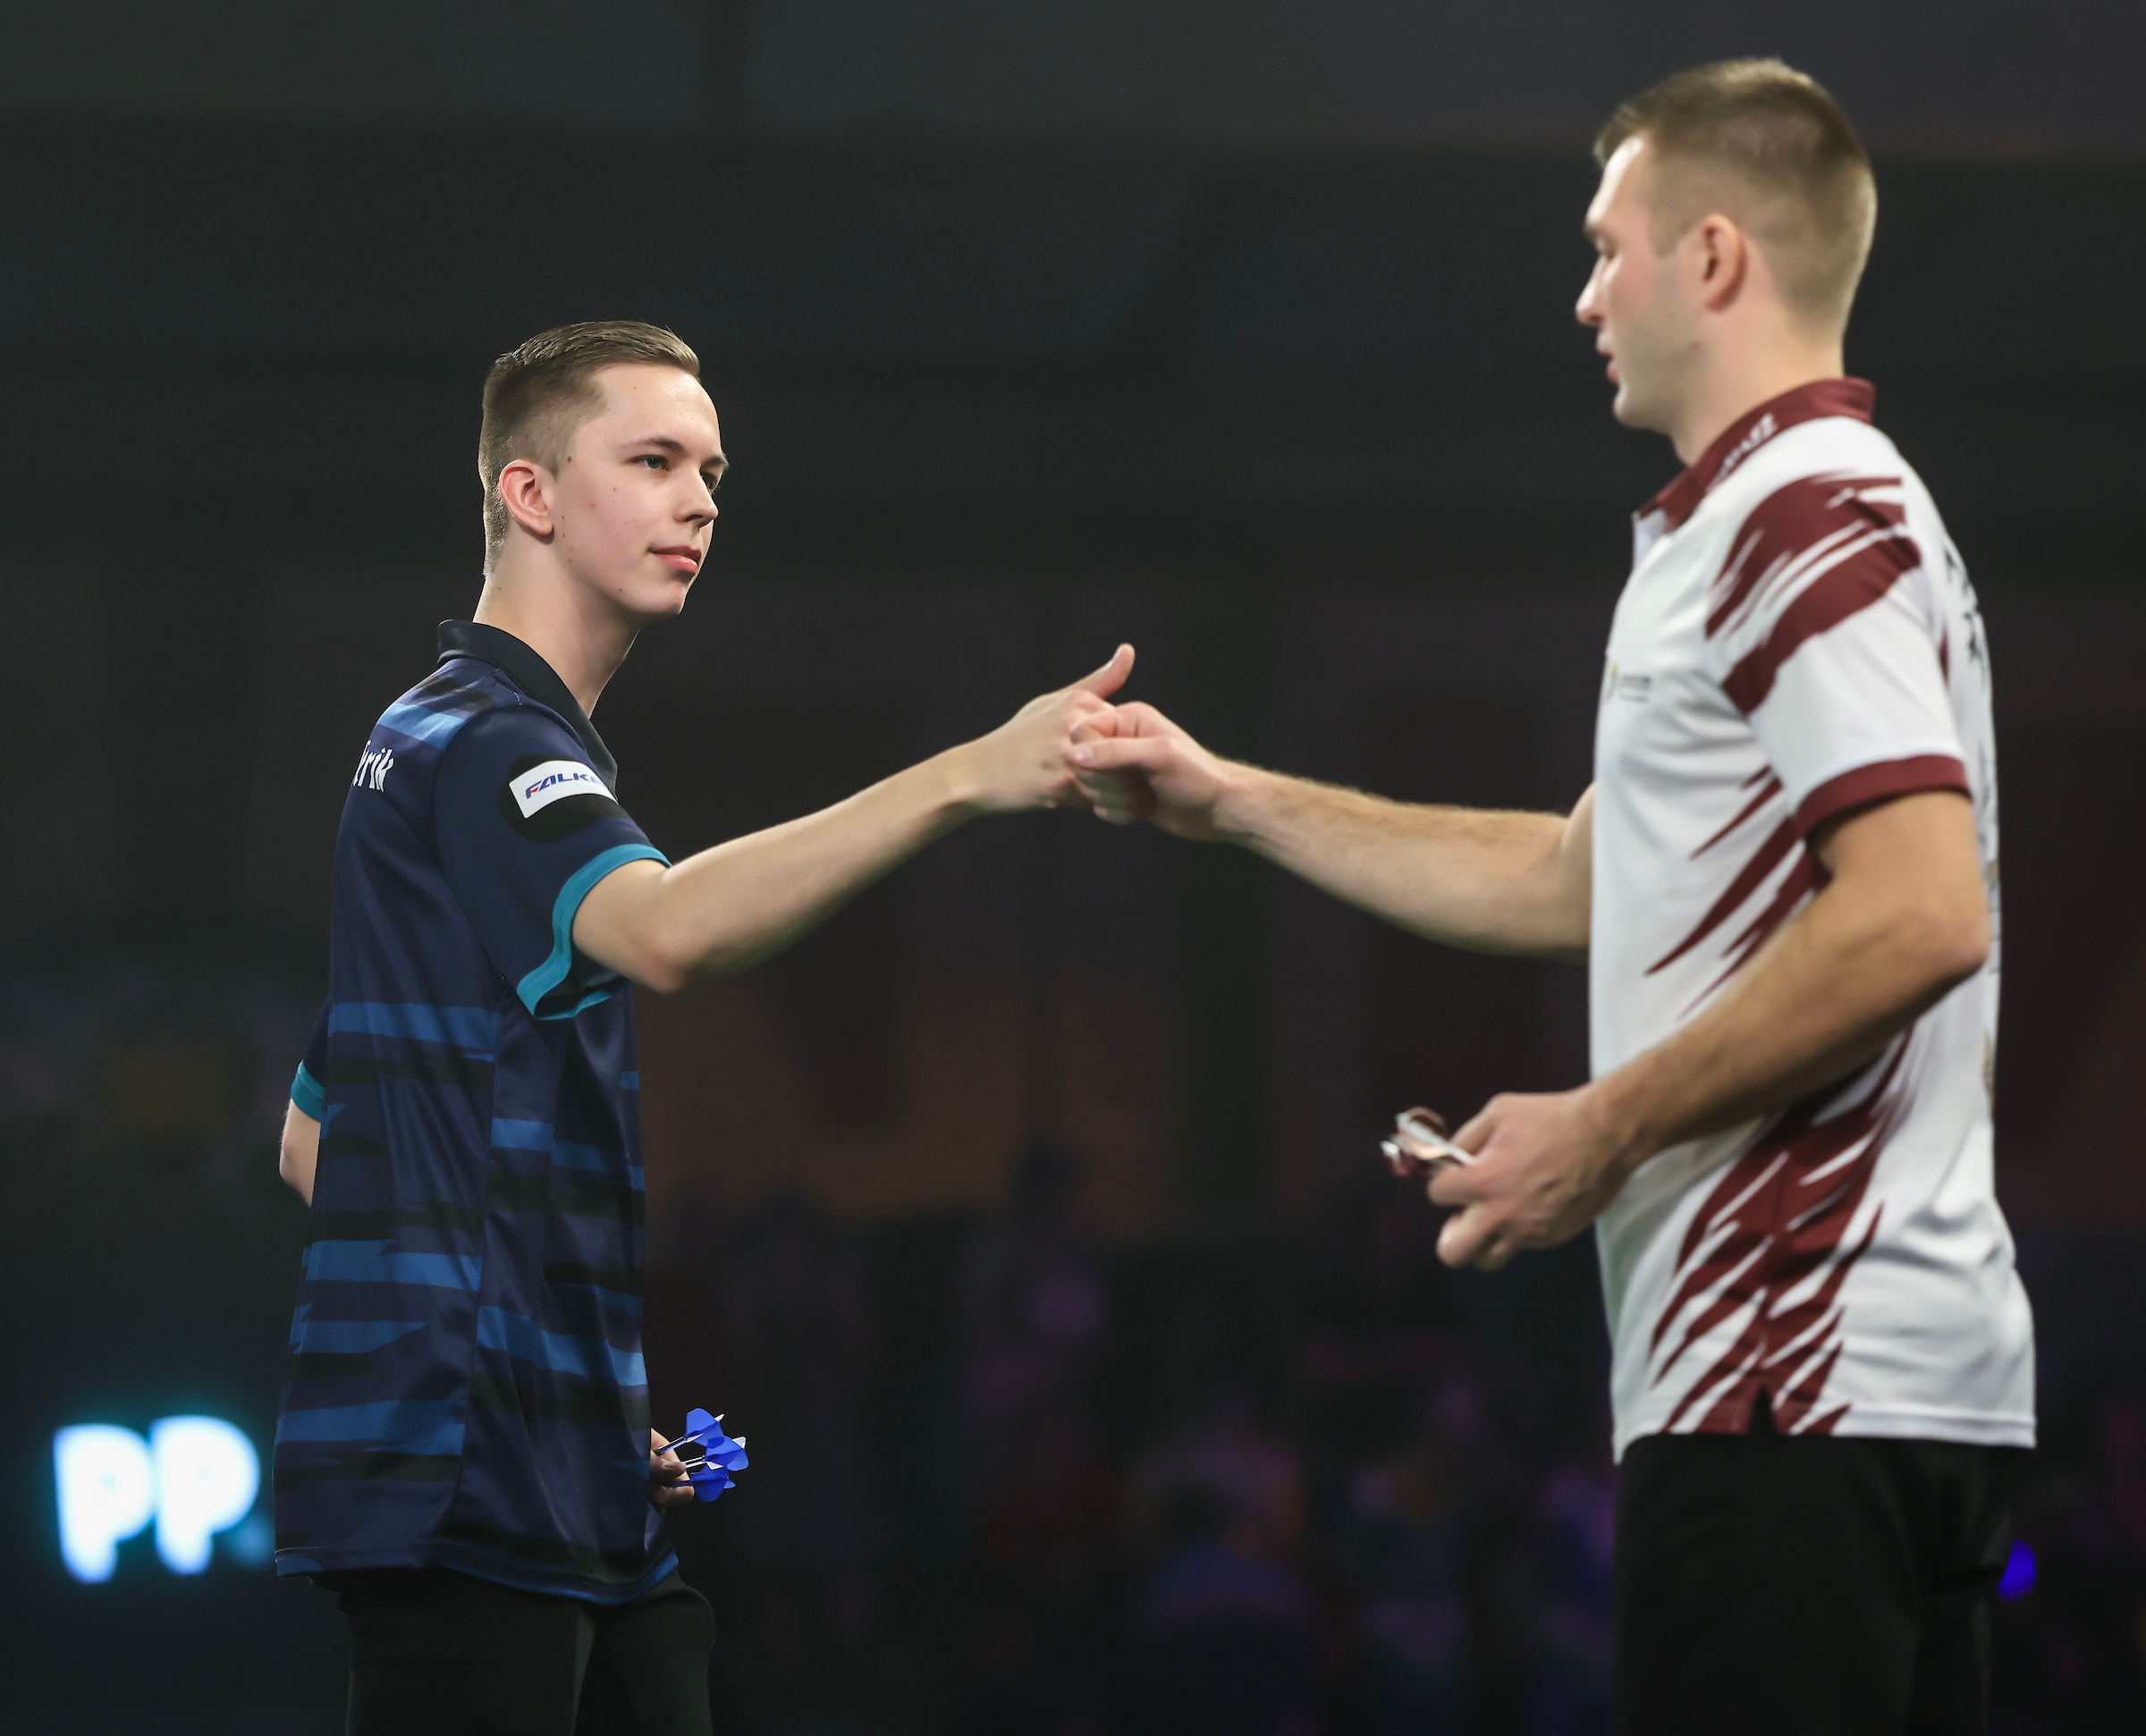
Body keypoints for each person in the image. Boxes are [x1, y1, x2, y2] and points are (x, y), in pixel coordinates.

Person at [1069, 60, 2032, 1735]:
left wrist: (1603, 1128)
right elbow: (1581, 874)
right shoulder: (1769, 519)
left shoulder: (1803, 510)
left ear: (1714, 258)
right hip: (1856, 1390)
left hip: (1789, 1383)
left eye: (1608, 248)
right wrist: (1233, 803)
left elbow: (1920, 910)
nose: (1586, 296)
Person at [273, 319, 1132, 1734]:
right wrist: (970, 775)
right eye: (654, 461)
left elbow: (316, 1137)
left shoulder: (441, 743)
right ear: (530, 494)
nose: (700, 501)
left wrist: (565, 1394)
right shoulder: (487, 741)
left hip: (559, 1476)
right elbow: (666, 929)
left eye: (712, 472)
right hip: (466, 1485)